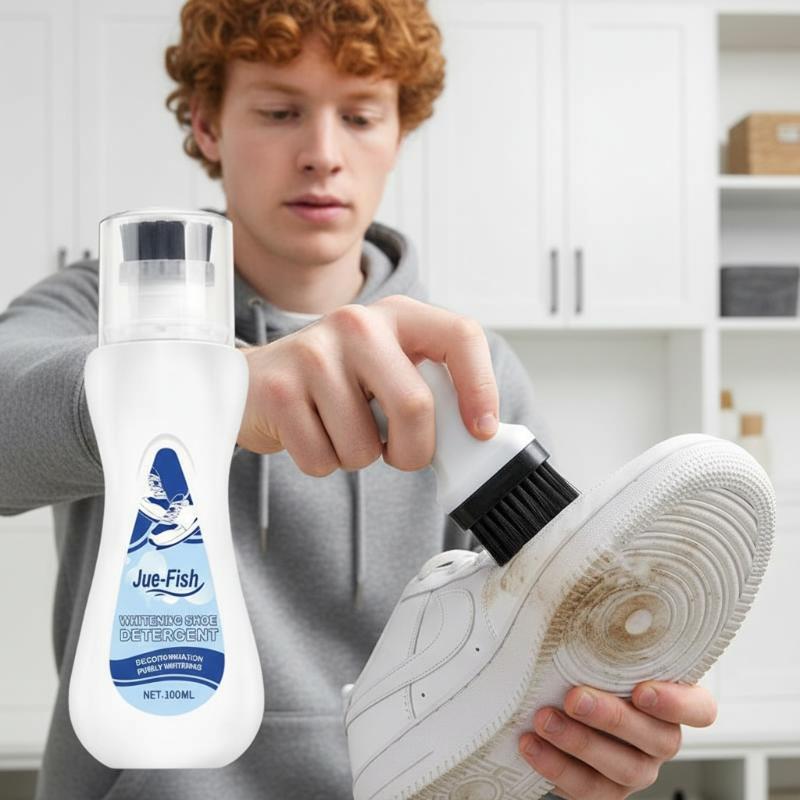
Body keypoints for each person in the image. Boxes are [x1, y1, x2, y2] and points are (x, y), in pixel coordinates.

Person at [0, 1, 717, 798]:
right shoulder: (110, 311)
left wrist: (583, 736)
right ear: (206, 124)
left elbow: (528, 649)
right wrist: (216, 388)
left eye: (361, 115)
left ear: (400, 133)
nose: (322, 155)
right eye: (280, 112)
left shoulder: (468, 370)